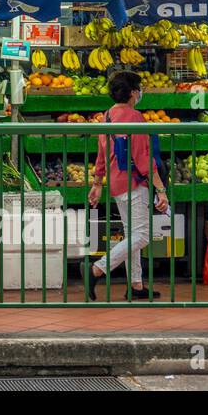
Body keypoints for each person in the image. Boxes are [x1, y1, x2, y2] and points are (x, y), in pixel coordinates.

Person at [86, 70, 170, 301]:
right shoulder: (135, 117)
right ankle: (97, 269)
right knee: (141, 236)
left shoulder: (108, 115)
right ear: (134, 92)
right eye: (139, 88)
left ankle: (136, 285)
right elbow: (144, 157)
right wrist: (160, 189)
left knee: (133, 233)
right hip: (134, 182)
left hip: (116, 182)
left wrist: (97, 183)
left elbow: (102, 153)